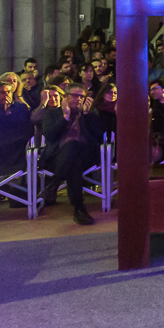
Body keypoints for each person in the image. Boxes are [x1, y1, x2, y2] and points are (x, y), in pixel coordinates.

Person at [40, 83, 104, 225]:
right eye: (74, 96)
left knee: (74, 148)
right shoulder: (52, 114)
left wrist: (86, 115)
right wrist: (65, 117)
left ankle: (54, 184)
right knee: (73, 162)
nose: (78, 99)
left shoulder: (90, 115)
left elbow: (98, 136)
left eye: (81, 96)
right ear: (65, 97)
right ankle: (78, 208)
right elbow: (50, 136)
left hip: (87, 155)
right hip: (57, 157)